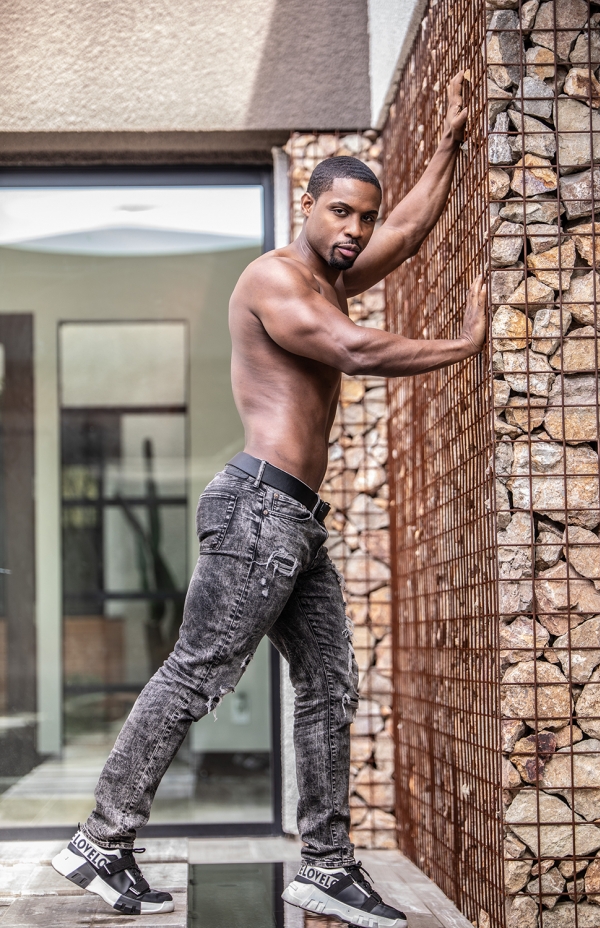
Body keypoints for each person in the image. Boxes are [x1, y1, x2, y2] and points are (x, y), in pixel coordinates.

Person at [52, 71, 485, 925]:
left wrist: (447, 143)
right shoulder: (276, 281)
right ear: (307, 204)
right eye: (341, 213)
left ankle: (324, 865)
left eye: (363, 217)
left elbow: (408, 230)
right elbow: (352, 350)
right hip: (257, 510)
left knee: (329, 684)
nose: (355, 229)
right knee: (199, 672)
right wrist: (462, 344)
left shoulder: (334, 276)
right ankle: (102, 838)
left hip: (294, 522)